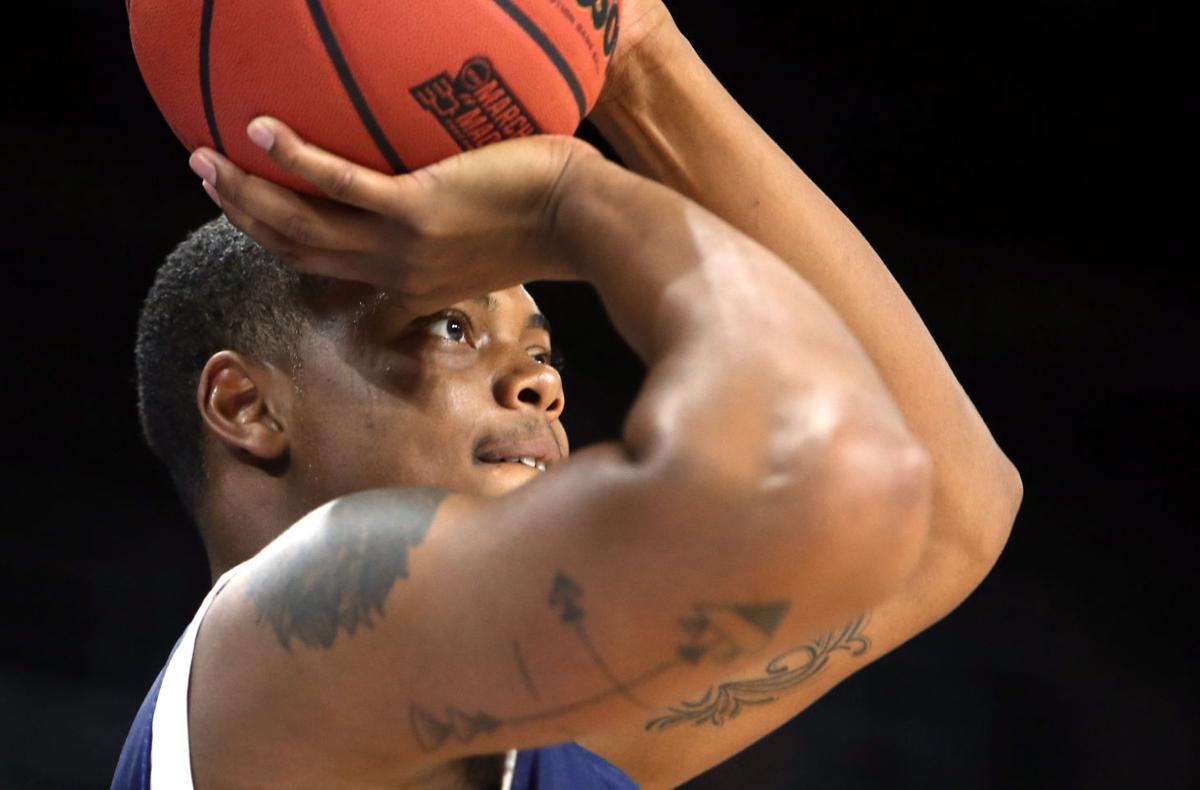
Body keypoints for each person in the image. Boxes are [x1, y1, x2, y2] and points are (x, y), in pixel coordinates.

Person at [112, 4, 1022, 788]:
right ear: (246, 406)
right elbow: (842, 473)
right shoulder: (276, 646)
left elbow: (946, 507)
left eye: (540, 350)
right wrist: (567, 203)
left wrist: (634, 50)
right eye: (450, 327)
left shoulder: (503, 728)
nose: (542, 384)